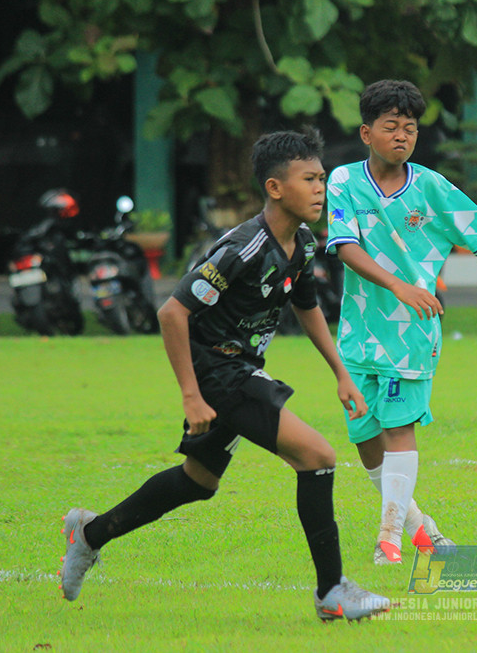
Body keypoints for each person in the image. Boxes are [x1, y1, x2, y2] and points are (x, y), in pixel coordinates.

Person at [59, 128, 391, 622]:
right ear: (275, 188)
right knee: (318, 456)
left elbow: (307, 306)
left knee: (199, 481)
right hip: (217, 372)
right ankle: (332, 591)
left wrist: (340, 373)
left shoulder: (300, 242)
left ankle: (89, 533)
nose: (321, 188)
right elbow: (172, 314)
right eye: (309, 179)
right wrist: (192, 396)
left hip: (238, 369)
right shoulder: (243, 248)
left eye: (322, 178)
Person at [325, 80, 477, 565]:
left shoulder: (433, 187)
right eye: (391, 126)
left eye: (411, 128)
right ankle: (424, 529)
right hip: (357, 334)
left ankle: (389, 540)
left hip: (412, 333)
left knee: (400, 429)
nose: (402, 135)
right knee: (365, 438)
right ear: (366, 132)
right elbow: (345, 245)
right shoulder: (343, 181)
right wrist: (397, 284)